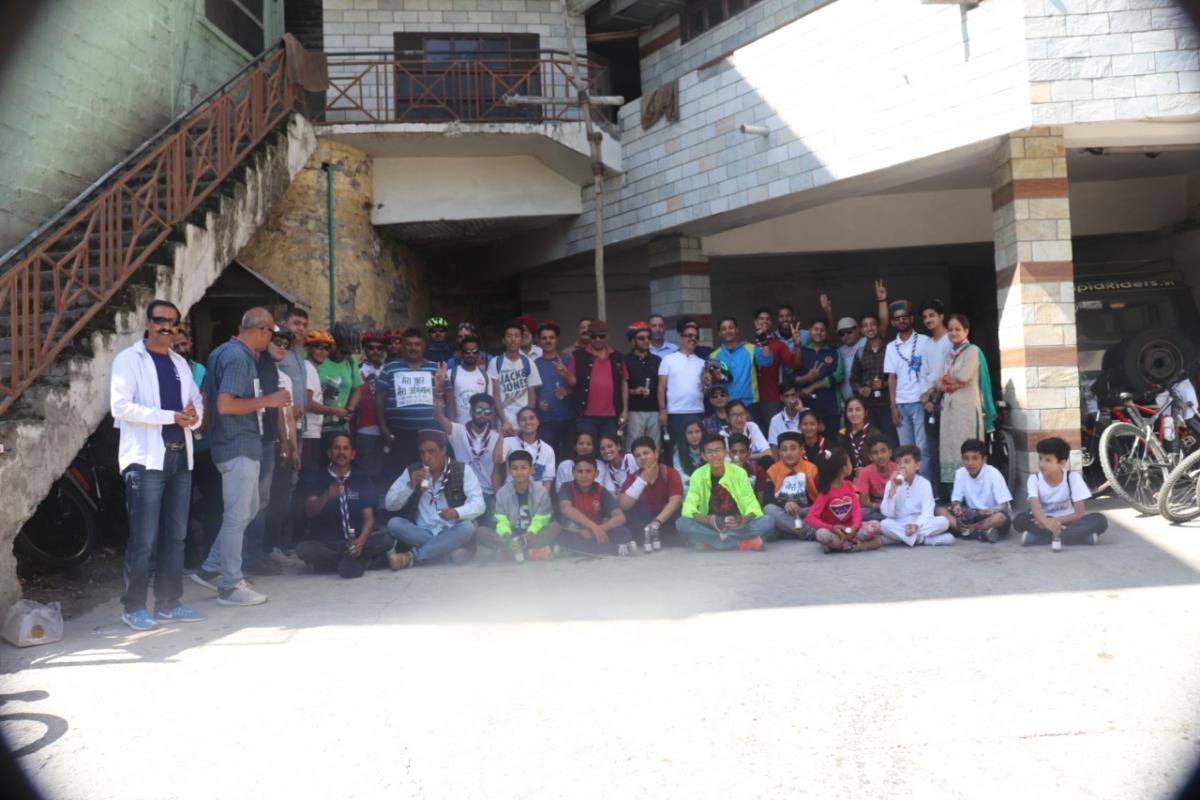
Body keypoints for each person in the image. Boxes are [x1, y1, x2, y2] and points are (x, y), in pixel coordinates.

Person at [111, 300, 206, 629]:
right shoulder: (129, 360)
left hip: (180, 456)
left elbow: (196, 401)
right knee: (144, 538)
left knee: (175, 536)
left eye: (172, 322)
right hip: (147, 459)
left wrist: (193, 418)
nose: (167, 327)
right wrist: (172, 416)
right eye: (160, 321)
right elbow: (121, 407)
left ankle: (169, 602)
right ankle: (133, 606)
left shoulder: (180, 363)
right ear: (148, 323)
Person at [191, 307, 290, 606]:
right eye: (271, 333)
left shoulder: (223, 352)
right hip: (237, 445)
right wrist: (270, 400)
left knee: (248, 508)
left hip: (233, 444)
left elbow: (210, 399)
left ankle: (211, 568)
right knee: (237, 515)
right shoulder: (238, 358)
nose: (272, 339)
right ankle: (232, 585)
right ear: (262, 330)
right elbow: (225, 405)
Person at [240, 325, 296, 577]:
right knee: (247, 503)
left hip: (267, 441)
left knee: (261, 501)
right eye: (277, 341)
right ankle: (244, 556)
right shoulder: (250, 362)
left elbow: (278, 411)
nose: (281, 346)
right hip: (250, 441)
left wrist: (283, 441)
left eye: (286, 344)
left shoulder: (271, 369)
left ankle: (255, 554)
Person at [295, 433, 393, 576]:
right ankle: (363, 562)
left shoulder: (361, 479)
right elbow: (310, 511)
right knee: (303, 549)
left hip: (357, 541)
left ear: (352, 454)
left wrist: (361, 541)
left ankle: (331, 565)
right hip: (328, 543)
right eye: (337, 448)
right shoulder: (318, 478)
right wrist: (326, 495)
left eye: (346, 448)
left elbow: (369, 519)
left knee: (387, 539)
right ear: (329, 453)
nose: (341, 452)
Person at [384, 429, 483, 569]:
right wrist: (410, 485)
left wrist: (457, 512)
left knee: (467, 528)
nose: (426, 457)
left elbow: (479, 504)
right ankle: (446, 551)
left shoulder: (462, 470)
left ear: (443, 450)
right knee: (394, 524)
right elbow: (390, 504)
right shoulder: (413, 471)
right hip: (422, 532)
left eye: (431, 451)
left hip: (452, 529)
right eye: (422, 452)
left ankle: (412, 557)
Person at [174, 332, 221, 572]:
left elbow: (205, 399)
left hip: (204, 448)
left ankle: (212, 555)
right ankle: (188, 555)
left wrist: (202, 415)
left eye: (185, 343)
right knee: (182, 505)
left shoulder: (200, 370)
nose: (182, 348)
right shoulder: (166, 371)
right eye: (177, 345)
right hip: (180, 450)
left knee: (215, 502)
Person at [676, 433, 773, 551]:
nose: (715, 455)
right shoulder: (698, 475)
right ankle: (740, 543)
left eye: (718, 450)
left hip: (736, 525)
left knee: (768, 521)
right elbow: (688, 508)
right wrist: (709, 520)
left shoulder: (739, 473)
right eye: (710, 452)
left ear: (725, 452)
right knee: (682, 523)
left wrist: (742, 519)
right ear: (703, 456)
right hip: (711, 525)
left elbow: (752, 505)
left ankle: (712, 543)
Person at [1013, 437, 1108, 551]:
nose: (1042, 464)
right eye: (1040, 458)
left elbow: (1079, 513)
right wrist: (1048, 523)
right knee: (1019, 520)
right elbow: (1035, 509)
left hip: (1068, 521)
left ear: (1062, 463)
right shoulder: (1034, 479)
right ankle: (1077, 538)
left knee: (1100, 520)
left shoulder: (1072, 478)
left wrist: (1055, 521)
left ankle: (1040, 538)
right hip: (1042, 520)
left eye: (1048, 460)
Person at [937, 313, 997, 488]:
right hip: (949, 410)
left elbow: (963, 376)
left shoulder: (972, 351)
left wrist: (948, 379)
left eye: (957, 329)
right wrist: (949, 381)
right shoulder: (949, 355)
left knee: (968, 447)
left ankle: (974, 490)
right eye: (950, 330)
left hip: (967, 410)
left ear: (966, 331)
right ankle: (954, 493)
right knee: (950, 449)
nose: (953, 333)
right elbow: (938, 382)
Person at [475, 450, 561, 562]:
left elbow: (541, 519)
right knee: (480, 532)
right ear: (510, 471)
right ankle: (529, 552)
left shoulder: (541, 491)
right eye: (515, 468)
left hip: (533, 535)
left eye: (523, 468)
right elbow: (501, 519)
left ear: (531, 470)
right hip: (511, 535)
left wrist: (529, 534)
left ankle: (511, 552)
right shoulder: (502, 492)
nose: (519, 472)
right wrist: (506, 534)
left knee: (555, 527)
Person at [433, 383, 501, 524]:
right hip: (463, 492)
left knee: (493, 530)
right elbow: (438, 416)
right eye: (478, 410)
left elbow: (498, 470)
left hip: (487, 493)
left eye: (487, 412)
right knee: (465, 530)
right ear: (471, 412)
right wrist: (439, 392)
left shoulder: (496, 437)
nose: (482, 414)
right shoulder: (458, 431)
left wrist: (498, 498)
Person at [377, 327, 438, 476]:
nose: (413, 348)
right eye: (409, 344)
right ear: (403, 346)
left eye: (417, 344)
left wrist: (449, 425)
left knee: (430, 473)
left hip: (430, 433)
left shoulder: (435, 368)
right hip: (400, 434)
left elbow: (448, 396)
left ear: (423, 347)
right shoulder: (389, 368)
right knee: (402, 475)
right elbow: (380, 398)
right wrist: (383, 426)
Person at [885, 300, 934, 481]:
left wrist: (928, 395)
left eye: (904, 317)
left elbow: (930, 370)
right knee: (905, 452)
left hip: (920, 402)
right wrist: (893, 407)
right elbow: (891, 378)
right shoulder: (891, 347)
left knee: (923, 449)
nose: (901, 321)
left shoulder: (924, 341)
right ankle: (909, 489)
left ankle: (926, 489)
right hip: (901, 404)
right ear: (892, 323)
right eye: (897, 319)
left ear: (912, 318)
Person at [936, 439, 1012, 543]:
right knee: (939, 511)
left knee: (1001, 518)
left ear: (984, 459)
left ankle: (970, 530)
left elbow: (1005, 506)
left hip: (989, 515)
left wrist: (989, 511)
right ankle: (980, 533)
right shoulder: (960, 473)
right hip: (972, 514)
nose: (970, 463)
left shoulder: (993, 474)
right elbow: (955, 501)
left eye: (975, 458)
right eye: (966, 458)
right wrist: (957, 508)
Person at [807, 448, 882, 554]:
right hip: (834, 532)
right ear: (844, 469)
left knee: (875, 525)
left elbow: (856, 509)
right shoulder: (825, 492)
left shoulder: (849, 485)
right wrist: (831, 528)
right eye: (850, 462)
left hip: (851, 530)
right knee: (821, 534)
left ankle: (839, 545)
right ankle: (852, 545)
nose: (851, 465)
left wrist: (854, 528)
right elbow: (810, 518)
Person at [558, 455, 636, 556]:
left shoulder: (601, 490)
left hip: (597, 530)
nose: (584, 475)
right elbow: (566, 509)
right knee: (564, 533)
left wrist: (599, 530)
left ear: (596, 474)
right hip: (578, 530)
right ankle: (615, 550)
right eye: (580, 471)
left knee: (624, 532)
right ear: (573, 473)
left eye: (588, 471)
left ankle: (578, 550)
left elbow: (620, 517)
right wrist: (594, 528)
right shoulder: (567, 486)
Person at [617, 436, 684, 550]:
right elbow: (623, 505)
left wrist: (657, 522)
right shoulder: (633, 479)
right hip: (643, 520)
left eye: (646, 453)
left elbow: (675, 501)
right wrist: (642, 480)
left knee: (681, 520)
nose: (642, 458)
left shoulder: (670, 473)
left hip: (664, 518)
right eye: (637, 456)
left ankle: (658, 539)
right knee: (626, 519)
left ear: (656, 454)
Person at [879, 444, 953, 547]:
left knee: (944, 522)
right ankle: (923, 540)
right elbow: (887, 513)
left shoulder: (925, 484)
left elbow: (928, 513)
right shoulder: (891, 484)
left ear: (917, 465)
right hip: (900, 523)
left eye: (907, 462)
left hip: (920, 523)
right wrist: (893, 489)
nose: (902, 466)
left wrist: (916, 525)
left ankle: (898, 538)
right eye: (899, 463)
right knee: (884, 525)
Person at [569, 319, 628, 441]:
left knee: (609, 451)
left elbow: (624, 383)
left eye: (601, 336)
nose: (597, 340)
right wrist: (564, 374)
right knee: (587, 451)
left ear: (607, 336)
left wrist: (625, 410)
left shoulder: (617, 357)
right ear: (589, 336)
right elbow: (572, 383)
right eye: (594, 336)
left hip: (611, 417)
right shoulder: (578, 355)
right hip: (585, 416)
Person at [836, 278, 890, 402]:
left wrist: (882, 300)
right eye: (842, 333)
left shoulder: (868, 342)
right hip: (858, 403)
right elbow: (853, 380)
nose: (846, 335)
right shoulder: (842, 350)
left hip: (885, 401)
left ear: (858, 330)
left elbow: (883, 324)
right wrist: (861, 389)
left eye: (850, 331)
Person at [657, 321, 706, 456]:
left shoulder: (703, 363)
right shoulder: (668, 359)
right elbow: (661, 388)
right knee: (675, 449)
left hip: (697, 411)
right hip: (675, 412)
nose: (693, 339)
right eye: (689, 335)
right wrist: (662, 410)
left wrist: (707, 383)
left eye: (696, 336)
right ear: (680, 338)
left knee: (697, 450)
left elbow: (705, 390)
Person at [751, 306, 801, 430]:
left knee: (773, 433)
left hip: (772, 397)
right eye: (761, 319)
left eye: (768, 319)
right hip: (751, 399)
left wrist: (797, 344)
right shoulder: (748, 347)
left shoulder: (778, 345)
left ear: (771, 323)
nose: (764, 321)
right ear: (755, 322)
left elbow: (796, 364)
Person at [762, 431, 819, 540]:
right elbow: (767, 499)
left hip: (807, 511)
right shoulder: (773, 470)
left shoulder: (811, 468)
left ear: (801, 449)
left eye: (793, 448)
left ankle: (789, 531)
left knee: (821, 511)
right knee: (769, 509)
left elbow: (820, 496)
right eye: (784, 449)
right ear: (779, 452)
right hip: (785, 513)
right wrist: (785, 503)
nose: (788, 453)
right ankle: (809, 532)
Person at [850, 311, 896, 444]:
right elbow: (853, 380)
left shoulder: (891, 348)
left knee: (891, 441)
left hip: (888, 404)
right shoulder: (860, 353)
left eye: (872, 324)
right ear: (861, 330)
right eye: (865, 326)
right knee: (871, 443)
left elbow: (899, 376)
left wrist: (884, 385)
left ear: (878, 326)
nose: (869, 328)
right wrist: (861, 389)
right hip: (869, 407)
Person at [920, 299, 952, 493]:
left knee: (949, 448)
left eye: (932, 315)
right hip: (929, 401)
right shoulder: (927, 344)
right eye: (924, 317)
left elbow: (949, 371)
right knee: (933, 451)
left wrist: (935, 392)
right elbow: (923, 372)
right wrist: (925, 399)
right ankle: (938, 493)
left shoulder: (951, 339)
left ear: (941, 317)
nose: (928, 320)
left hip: (948, 398)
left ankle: (952, 493)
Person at [490, 320, 541, 432]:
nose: (513, 339)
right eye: (509, 336)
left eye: (517, 336)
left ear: (521, 339)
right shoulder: (495, 362)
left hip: (524, 423)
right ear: (503, 340)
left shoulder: (528, 363)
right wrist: (504, 420)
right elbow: (495, 395)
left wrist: (529, 420)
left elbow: (532, 393)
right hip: (503, 423)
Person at [533, 322, 574, 459]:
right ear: (539, 341)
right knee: (549, 457)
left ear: (557, 340)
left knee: (568, 458)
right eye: (544, 338)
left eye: (551, 337)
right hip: (546, 420)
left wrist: (566, 381)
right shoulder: (535, 364)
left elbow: (577, 386)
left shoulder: (568, 360)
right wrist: (539, 403)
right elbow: (532, 391)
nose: (548, 341)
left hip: (568, 417)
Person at [796, 319, 843, 439]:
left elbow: (838, 376)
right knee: (809, 442)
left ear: (826, 333)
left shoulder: (834, 351)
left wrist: (812, 387)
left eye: (822, 330)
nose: (819, 332)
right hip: (807, 406)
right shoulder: (802, 351)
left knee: (831, 441)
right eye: (815, 329)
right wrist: (807, 379)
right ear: (810, 332)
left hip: (830, 406)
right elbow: (792, 377)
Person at [355, 330, 388, 495]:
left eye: (379, 348)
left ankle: (381, 508)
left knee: (384, 469)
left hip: (388, 428)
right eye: (371, 348)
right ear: (365, 350)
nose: (375, 351)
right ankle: (365, 507)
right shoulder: (358, 371)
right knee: (365, 470)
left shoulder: (389, 371)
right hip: (365, 427)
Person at [316, 326, 363, 444]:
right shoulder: (317, 358)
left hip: (339, 426)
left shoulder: (350, 361)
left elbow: (357, 387)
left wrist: (349, 409)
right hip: (316, 425)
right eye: (343, 352)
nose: (346, 356)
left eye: (349, 353)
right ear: (333, 345)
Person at [495, 406, 556, 494]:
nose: (528, 422)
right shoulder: (508, 442)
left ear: (538, 422)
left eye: (531, 418)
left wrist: (542, 502)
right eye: (523, 420)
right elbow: (497, 460)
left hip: (536, 498)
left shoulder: (548, 450)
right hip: (511, 496)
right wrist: (502, 433)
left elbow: (547, 482)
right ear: (519, 424)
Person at [713, 316, 772, 407]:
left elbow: (767, 362)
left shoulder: (750, 348)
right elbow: (712, 384)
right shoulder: (714, 356)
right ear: (719, 333)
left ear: (737, 330)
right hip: (727, 405)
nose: (728, 331)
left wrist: (763, 341)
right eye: (724, 329)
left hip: (751, 404)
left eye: (731, 327)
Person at [624, 321, 662, 450]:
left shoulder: (657, 360)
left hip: (654, 410)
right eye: (641, 338)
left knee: (654, 448)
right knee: (633, 448)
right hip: (634, 411)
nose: (646, 341)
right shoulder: (626, 360)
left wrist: (663, 410)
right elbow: (619, 389)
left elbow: (662, 387)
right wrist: (634, 391)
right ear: (633, 341)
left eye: (648, 338)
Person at [445, 333, 489, 426]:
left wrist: (491, 428)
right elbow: (447, 403)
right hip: (459, 427)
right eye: (467, 351)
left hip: (480, 427)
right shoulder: (450, 374)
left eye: (474, 351)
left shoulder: (485, 376)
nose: (471, 354)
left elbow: (489, 404)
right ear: (461, 353)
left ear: (479, 353)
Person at [854, 435, 896, 522]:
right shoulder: (865, 472)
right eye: (875, 453)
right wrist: (878, 506)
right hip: (878, 509)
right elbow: (863, 502)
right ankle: (890, 521)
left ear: (890, 453)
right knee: (862, 513)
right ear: (870, 457)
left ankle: (888, 522)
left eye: (883, 451)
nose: (880, 456)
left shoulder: (898, 469)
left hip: (896, 507)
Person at [727, 433, 769, 505]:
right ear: (729, 453)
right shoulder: (721, 471)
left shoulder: (757, 470)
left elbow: (760, 502)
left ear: (749, 453)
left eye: (742, 452)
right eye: (734, 452)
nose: (738, 456)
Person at [841, 396, 875, 473]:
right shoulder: (841, 434)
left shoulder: (874, 433)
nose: (854, 414)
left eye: (858, 410)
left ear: (865, 413)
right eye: (850, 410)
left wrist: (866, 472)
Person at [767, 381, 805, 450]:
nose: (791, 399)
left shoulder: (806, 412)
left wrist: (802, 412)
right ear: (781, 398)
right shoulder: (775, 420)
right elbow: (774, 448)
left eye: (793, 395)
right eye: (787, 396)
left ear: (797, 395)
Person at [672, 420, 705, 494]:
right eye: (690, 433)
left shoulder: (709, 446)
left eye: (697, 431)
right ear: (684, 434)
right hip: (689, 484)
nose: (694, 436)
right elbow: (679, 472)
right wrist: (693, 483)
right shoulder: (679, 450)